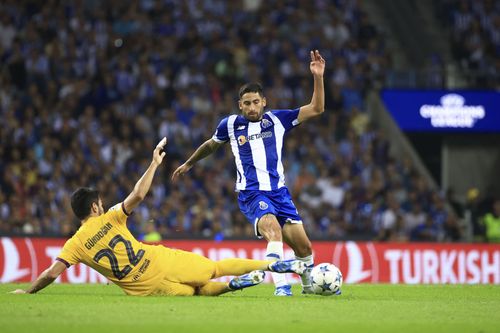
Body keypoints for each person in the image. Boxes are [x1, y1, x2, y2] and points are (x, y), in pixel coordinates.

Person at [11, 138, 305, 296]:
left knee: (199, 293)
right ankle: (273, 264)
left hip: (146, 290)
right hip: (159, 260)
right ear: (95, 208)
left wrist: (29, 290)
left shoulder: (73, 245)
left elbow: (51, 274)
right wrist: (153, 164)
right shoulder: (110, 217)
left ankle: (232, 287)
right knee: (213, 269)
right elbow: (138, 195)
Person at [172, 50, 326, 296]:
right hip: (252, 193)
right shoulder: (230, 124)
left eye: (256, 102)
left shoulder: (278, 120)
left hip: (280, 193)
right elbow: (212, 144)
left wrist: (317, 76)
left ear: (264, 101)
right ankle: (282, 288)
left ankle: (309, 289)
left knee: (304, 246)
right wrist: (190, 163)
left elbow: (317, 108)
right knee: (273, 230)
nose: (252, 107)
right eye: (247, 103)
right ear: (239, 105)